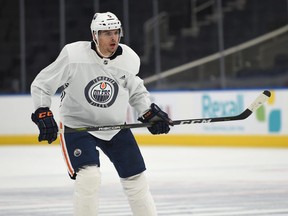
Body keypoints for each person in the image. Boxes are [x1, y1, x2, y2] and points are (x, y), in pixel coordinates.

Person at [30, 12, 173, 216]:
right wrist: (42, 111)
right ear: (94, 35)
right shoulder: (73, 55)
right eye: (107, 33)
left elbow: (136, 89)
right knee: (89, 177)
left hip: (115, 127)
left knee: (136, 179)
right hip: (79, 127)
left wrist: (148, 111)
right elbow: (42, 84)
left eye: (116, 32)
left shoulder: (129, 59)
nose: (113, 38)